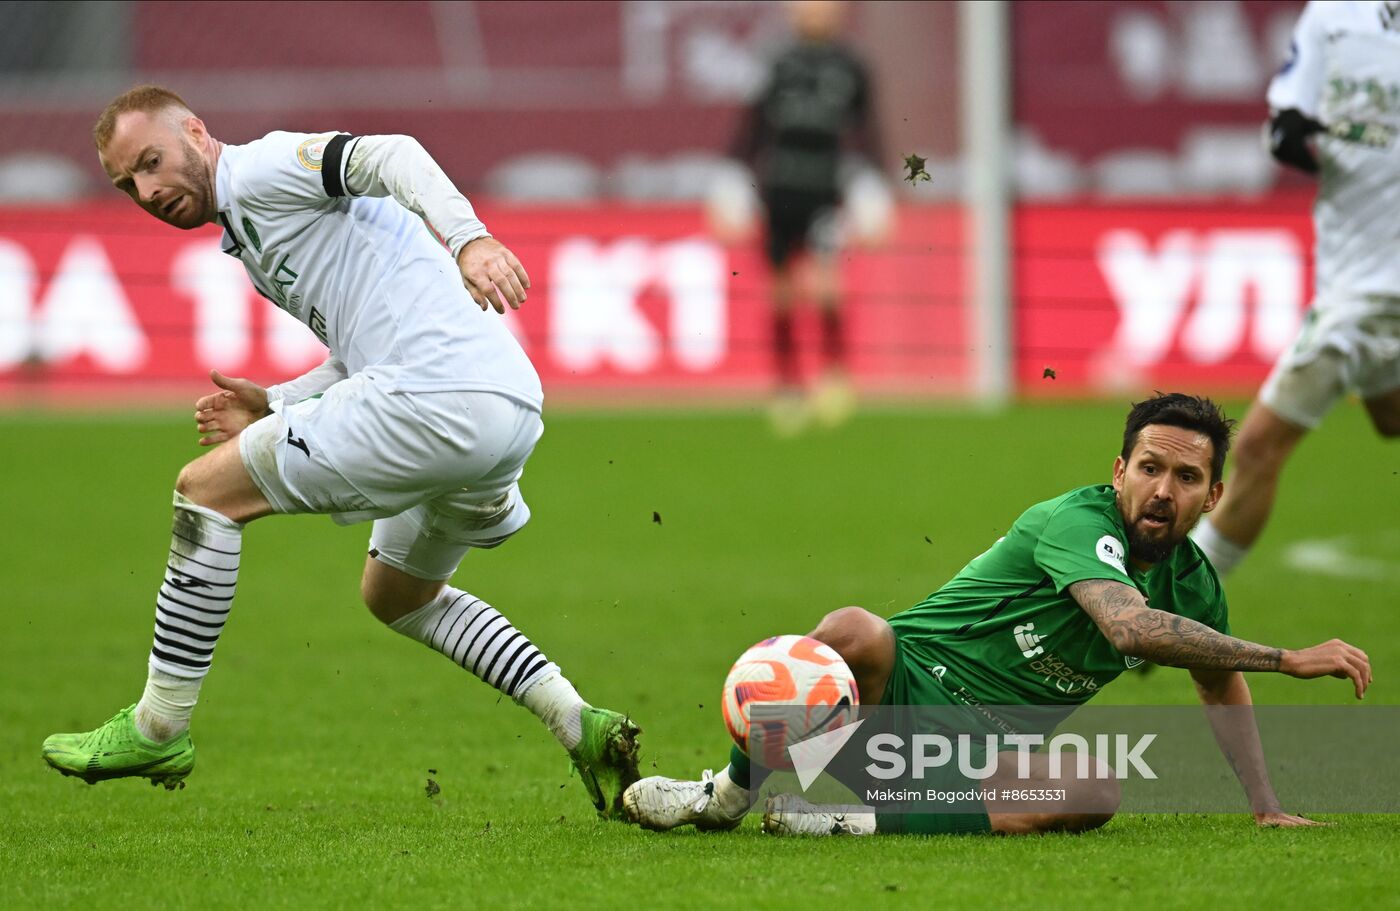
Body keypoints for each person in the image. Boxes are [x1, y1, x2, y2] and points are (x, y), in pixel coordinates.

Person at [40, 85, 642, 819]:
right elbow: (364, 351)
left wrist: (470, 238)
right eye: (126, 182)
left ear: (196, 131)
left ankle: (158, 725)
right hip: (500, 404)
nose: (147, 189)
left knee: (205, 491)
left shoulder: (259, 170)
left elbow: (393, 154)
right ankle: (581, 723)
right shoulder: (252, 235)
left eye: (152, 161)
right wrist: (278, 401)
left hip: (437, 395)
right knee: (396, 595)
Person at [623, 393, 1371, 836]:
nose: (1162, 490)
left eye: (1186, 476)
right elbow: (1126, 626)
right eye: (1149, 468)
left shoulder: (1194, 582)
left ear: (1212, 495)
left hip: (976, 763)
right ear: (1119, 471)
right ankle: (724, 796)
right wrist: (1286, 657)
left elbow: (1215, 687)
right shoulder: (1076, 522)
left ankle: (841, 821)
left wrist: (1265, 805)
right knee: (855, 629)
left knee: (1097, 791)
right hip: (883, 703)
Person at [1191, 1, 1400, 576]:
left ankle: (1173, 605)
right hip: (1352, 268)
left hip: (1373, 295)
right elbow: (1286, 124)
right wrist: (1289, 134)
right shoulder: (1332, 16)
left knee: (1257, 447)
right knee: (1390, 416)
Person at [729, 0, 883, 435]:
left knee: (827, 286)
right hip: (777, 193)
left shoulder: (851, 66)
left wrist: (874, 185)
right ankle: (788, 387)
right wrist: (732, 178)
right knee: (780, 293)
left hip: (825, 193)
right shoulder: (775, 61)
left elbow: (867, 129)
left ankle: (834, 377)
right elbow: (751, 128)